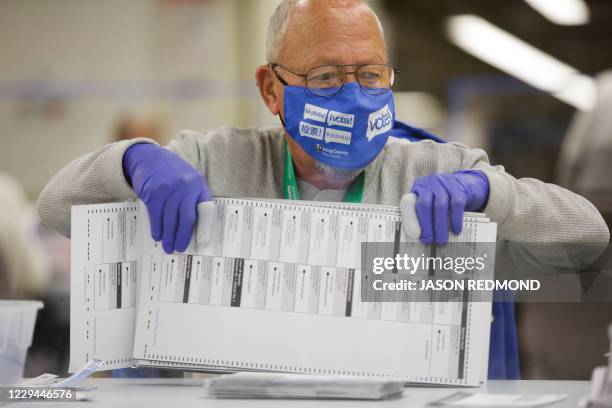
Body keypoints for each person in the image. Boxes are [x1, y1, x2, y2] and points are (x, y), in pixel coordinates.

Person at [37, 0, 609, 379]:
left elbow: (588, 240)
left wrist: (491, 193)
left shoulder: (438, 169)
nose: (355, 97)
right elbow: (57, 207)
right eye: (327, 77)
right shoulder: (214, 162)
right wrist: (131, 162)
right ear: (271, 90)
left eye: (371, 75)